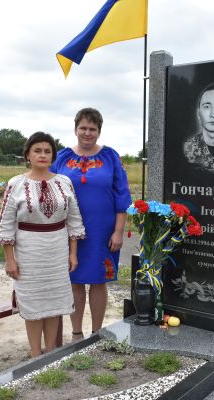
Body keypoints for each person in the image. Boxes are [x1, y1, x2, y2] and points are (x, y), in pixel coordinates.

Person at [0, 131, 85, 357]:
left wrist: (73, 253)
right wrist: (10, 260)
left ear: (53, 155)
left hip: (57, 250)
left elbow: (74, 220)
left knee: (54, 303)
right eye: (37, 150)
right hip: (29, 252)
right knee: (34, 303)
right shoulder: (16, 184)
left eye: (47, 151)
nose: (42, 155)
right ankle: (35, 354)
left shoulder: (64, 183)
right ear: (27, 155)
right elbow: (5, 225)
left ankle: (51, 353)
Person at [50, 108, 131, 340]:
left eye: (92, 129)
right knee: (74, 280)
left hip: (103, 231)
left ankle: (97, 333)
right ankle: (76, 334)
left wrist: (118, 231)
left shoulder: (110, 157)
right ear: (75, 129)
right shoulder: (62, 157)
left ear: (99, 131)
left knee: (98, 280)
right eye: (83, 128)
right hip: (69, 231)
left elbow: (122, 196)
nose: (87, 133)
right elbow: (48, 188)